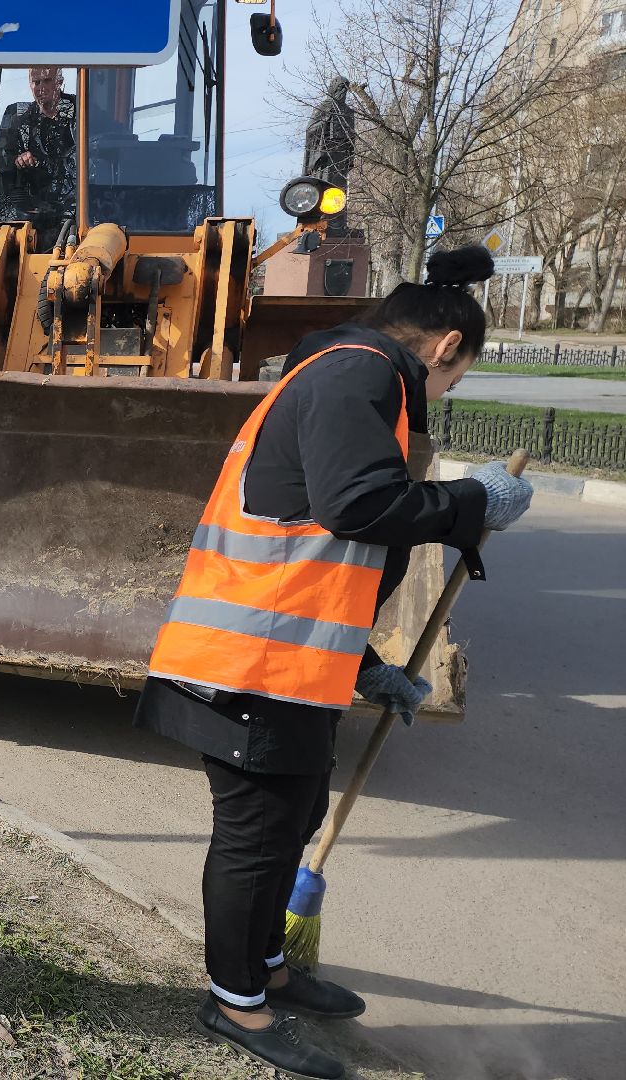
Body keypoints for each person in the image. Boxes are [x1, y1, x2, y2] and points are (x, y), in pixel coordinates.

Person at [135, 247, 533, 1080]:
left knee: (294, 812)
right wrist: (472, 501)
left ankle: (269, 968)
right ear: (446, 347)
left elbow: (321, 551)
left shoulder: (347, 376)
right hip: (246, 662)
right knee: (254, 835)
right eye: (453, 381)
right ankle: (234, 1001)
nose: (442, 397)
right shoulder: (359, 375)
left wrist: (361, 666)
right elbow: (360, 506)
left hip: (287, 661)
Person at [0, 67, 78, 246]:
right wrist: (19, 160)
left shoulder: (82, 111)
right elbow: (4, 163)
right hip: (35, 210)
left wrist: (43, 163)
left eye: (47, 81)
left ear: (59, 82)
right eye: (36, 82)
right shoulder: (20, 119)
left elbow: (95, 150)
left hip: (77, 210)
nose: (41, 88)